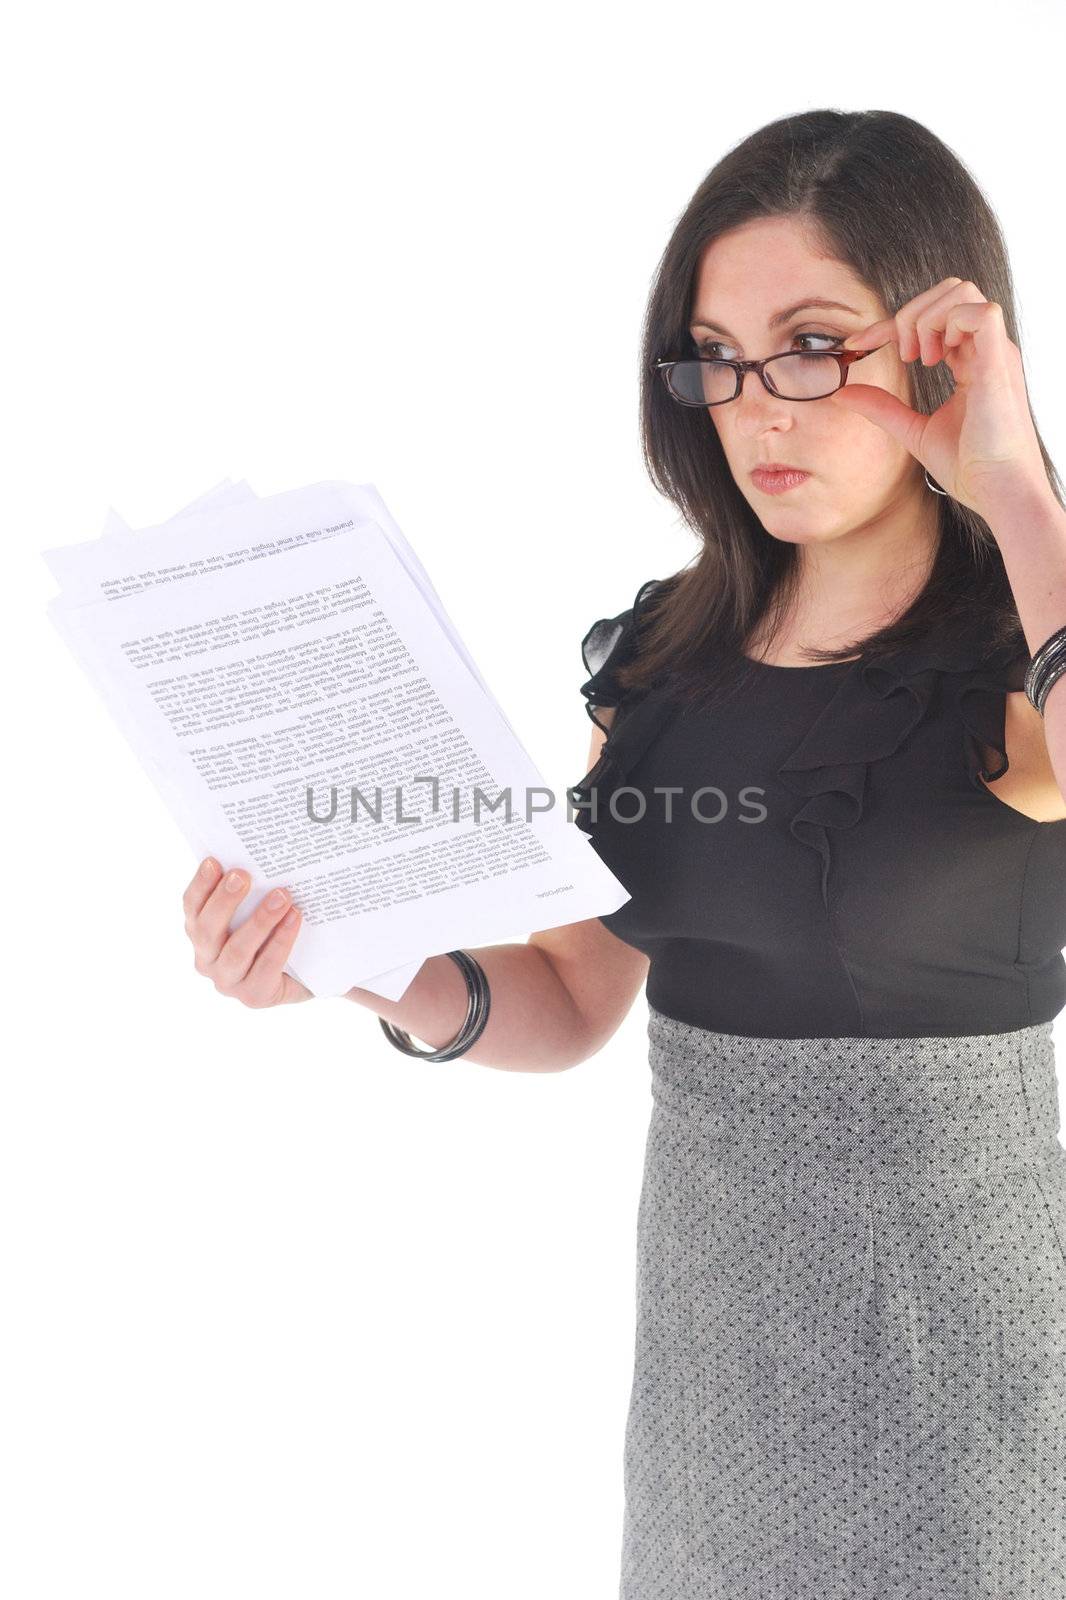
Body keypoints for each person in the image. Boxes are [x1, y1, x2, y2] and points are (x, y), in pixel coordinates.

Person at [183, 108, 1066, 1597]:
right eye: (715, 357)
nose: (759, 408)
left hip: (960, 1354)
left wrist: (1013, 477)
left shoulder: (1011, 644)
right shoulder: (662, 656)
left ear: (938, 344)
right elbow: (573, 999)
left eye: (810, 343)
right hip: (715, 1354)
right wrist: (349, 959)